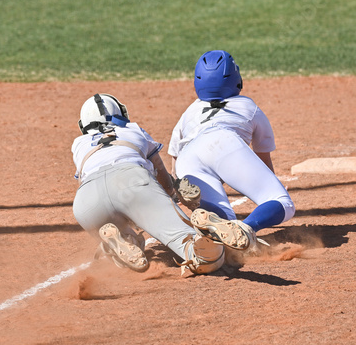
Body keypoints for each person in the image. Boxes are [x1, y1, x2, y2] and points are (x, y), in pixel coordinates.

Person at [71, 93, 246, 275]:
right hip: (130, 179)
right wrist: (170, 196)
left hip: (85, 202)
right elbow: (161, 172)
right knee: (205, 259)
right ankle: (205, 231)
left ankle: (117, 243)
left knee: (124, 245)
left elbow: (86, 183)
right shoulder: (133, 129)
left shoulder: (78, 143)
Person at [168, 50, 295, 244]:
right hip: (224, 142)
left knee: (224, 220)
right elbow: (263, 159)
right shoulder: (248, 106)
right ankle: (246, 228)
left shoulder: (190, 111)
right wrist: (266, 196)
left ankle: (207, 212)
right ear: (236, 78)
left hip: (187, 159)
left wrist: (178, 184)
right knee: (282, 202)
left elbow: (174, 162)